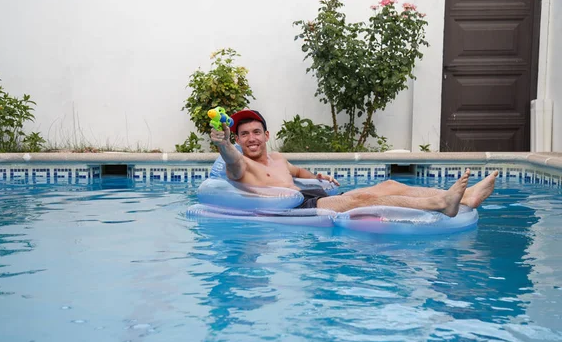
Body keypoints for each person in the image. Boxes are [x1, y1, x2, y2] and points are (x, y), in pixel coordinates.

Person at [210, 109, 498, 217]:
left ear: (266, 135)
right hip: (296, 210)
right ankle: (441, 204)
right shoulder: (242, 165)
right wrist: (224, 144)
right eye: (244, 134)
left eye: (256, 132)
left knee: (389, 183)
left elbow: (298, 172)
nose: (251, 139)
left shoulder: (278, 158)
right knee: (366, 197)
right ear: (238, 139)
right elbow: (232, 163)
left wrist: (319, 176)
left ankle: (468, 198)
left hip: (312, 196)